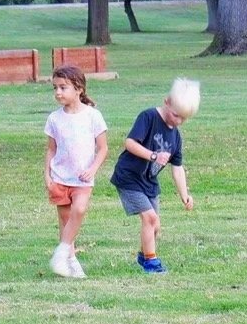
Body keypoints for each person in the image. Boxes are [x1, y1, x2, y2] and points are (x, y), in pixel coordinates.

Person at [110, 77, 199, 273]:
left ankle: (143, 256)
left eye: (184, 119)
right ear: (166, 102)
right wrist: (153, 156)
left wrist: (184, 195)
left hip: (149, 182)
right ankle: (151, 262)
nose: (178, 121)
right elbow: (130, 143)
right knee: (150, 219)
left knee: (156, 225)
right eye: (176, 115)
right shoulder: (149, 117)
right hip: (129, 177)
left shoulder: (176, 136)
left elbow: (177, 168)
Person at [43, 64, 108, 279]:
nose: (58, 92)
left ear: (79, 89)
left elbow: (103, 148)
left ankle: (61, 254)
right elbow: (51, 149)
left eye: (63, 87)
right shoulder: (54, 119)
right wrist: (47, 175)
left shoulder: (93, 116)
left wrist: (92, 169)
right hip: (60, 178)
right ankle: (70, 261)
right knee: (65, 221)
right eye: (55, 88)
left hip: (82, 179)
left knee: (78, 211)